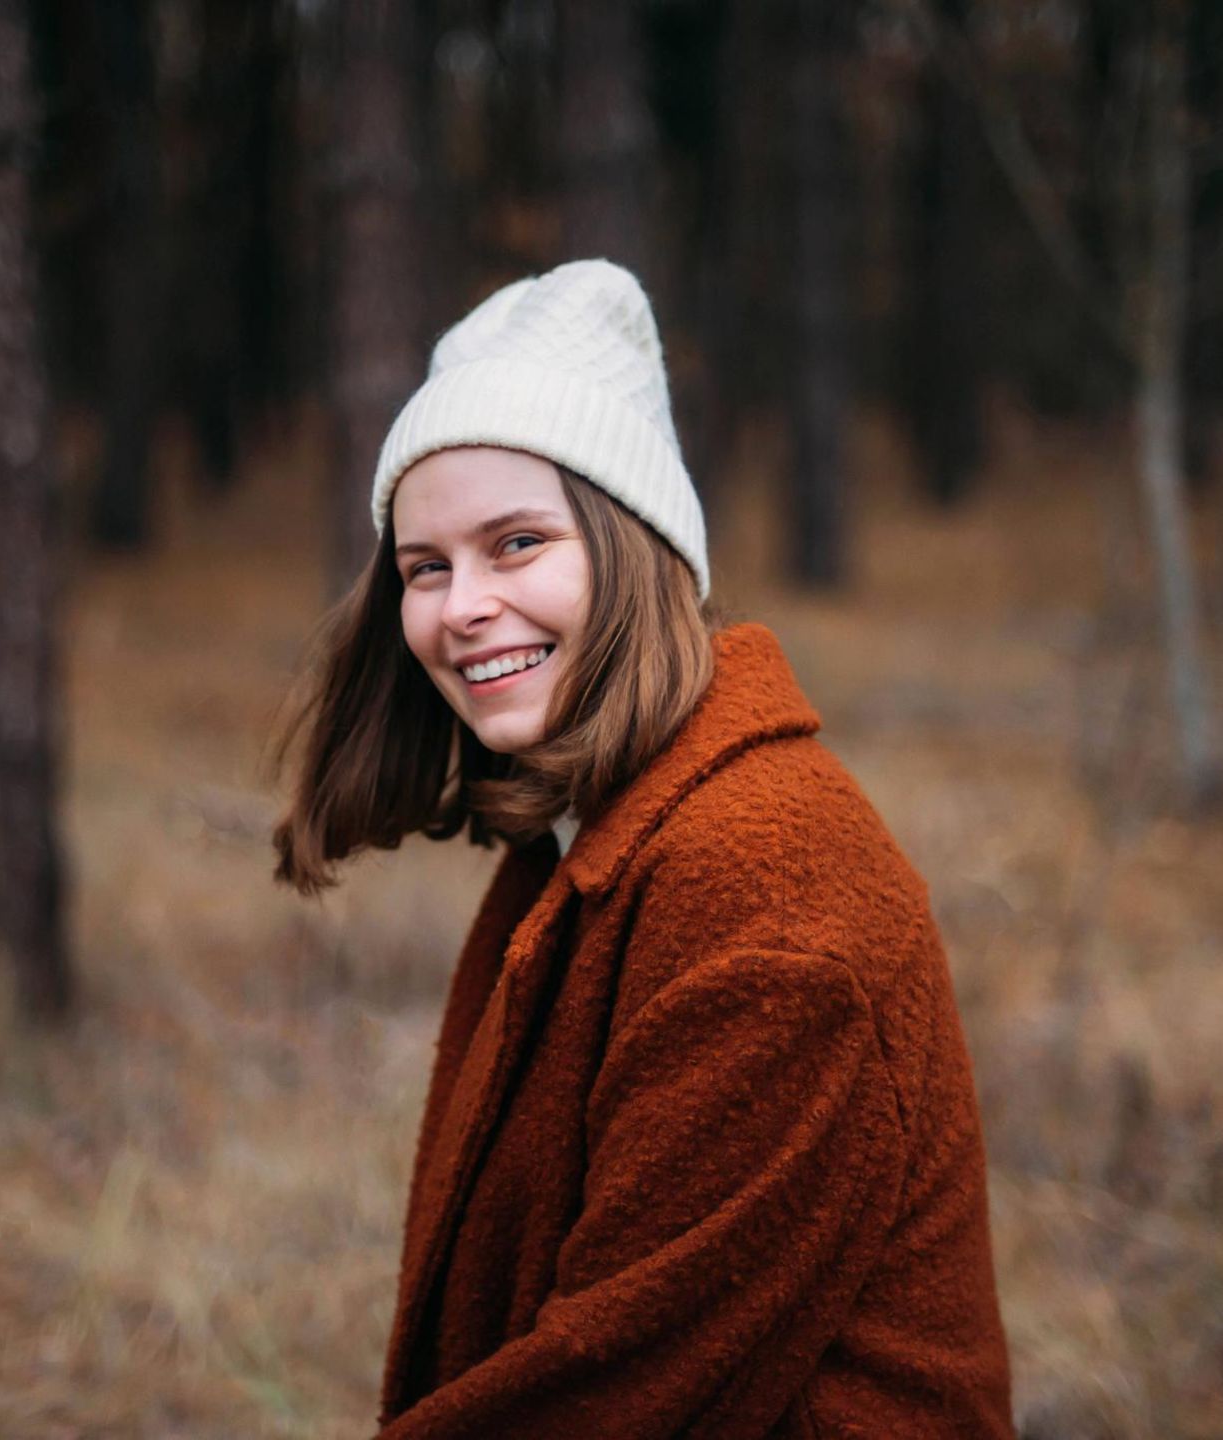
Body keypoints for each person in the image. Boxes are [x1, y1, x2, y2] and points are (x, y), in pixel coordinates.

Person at [274, 260, 1014, 1438]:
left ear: (635, 550)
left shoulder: (771, 892)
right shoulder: (593, 833)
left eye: (515, 544)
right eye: (426, 567)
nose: (460, 605)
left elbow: (613, 1398)